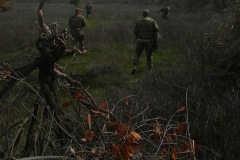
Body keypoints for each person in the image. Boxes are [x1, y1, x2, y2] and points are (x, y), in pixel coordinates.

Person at [131, 9, 159, 75]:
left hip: (140, 40)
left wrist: (137, 36)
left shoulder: (138, 21)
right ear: (148, 14)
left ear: (142, 14)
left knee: (138, 54)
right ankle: (149, 71)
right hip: (148, 41)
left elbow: (135, 30)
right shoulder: (152, 21)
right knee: (149, 56)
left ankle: (135, 67)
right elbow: (157, 29)